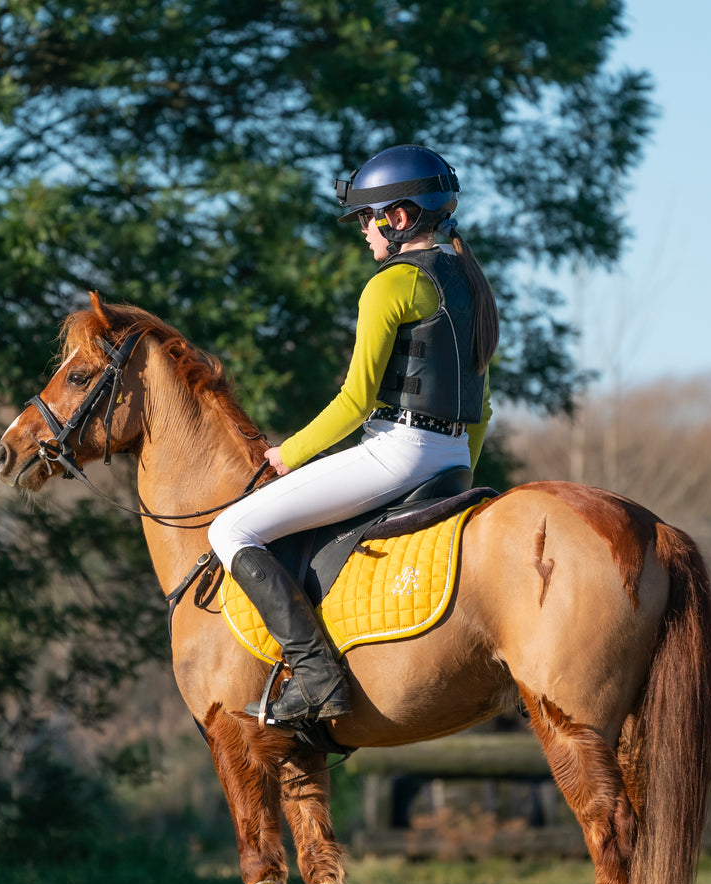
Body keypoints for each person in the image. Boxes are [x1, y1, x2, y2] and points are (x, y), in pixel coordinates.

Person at [207, 144, 499, 725]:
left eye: (366, 219)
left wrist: (285, 455)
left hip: (398, 450)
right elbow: (483, 407)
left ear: (398, 217)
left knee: (231, 526)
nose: (363, 234)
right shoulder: (471, 284)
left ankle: (314, 675)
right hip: (451, 459)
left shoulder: (389, 286)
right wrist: (462, 471)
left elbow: (355, 402)